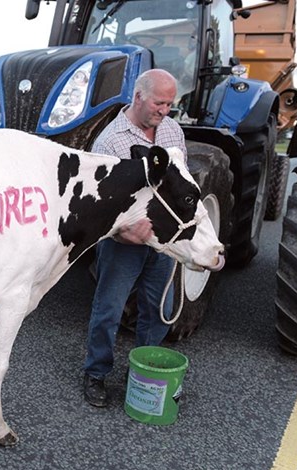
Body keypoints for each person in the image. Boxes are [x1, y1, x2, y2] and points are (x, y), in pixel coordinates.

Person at [82, 69, 188, 408]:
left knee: (160, 309)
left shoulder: (172, 130)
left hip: (164, 240)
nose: (164, 111)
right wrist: (124, 232)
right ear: (138, 97)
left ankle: (143, 372)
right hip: (124, 241)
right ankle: (96, 373)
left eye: (170, 104)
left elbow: (181, 182)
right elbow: (103, 203)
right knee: (109, 309)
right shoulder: (110, 141)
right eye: (159, 102)